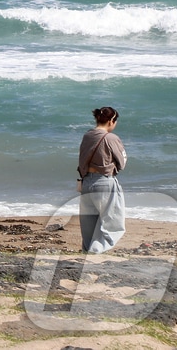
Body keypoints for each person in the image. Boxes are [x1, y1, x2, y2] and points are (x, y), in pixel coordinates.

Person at [78, 105, 127, 253]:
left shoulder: (87, 135)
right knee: (113, 222)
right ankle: (96, 251)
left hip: (86, 182)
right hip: (104, 182)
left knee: (88, 225)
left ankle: (87, 251)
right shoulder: (111, 138)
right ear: (111, 120)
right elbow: (122, 162)